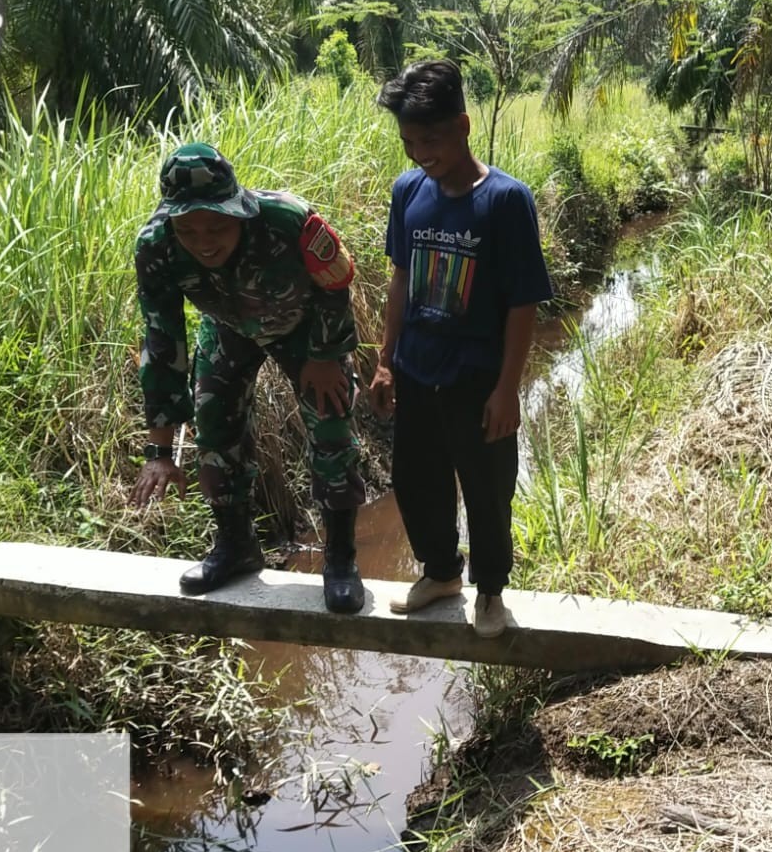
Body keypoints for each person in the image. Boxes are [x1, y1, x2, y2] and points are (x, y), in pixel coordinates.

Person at [129, 141, 367, 613]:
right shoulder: (156, 246)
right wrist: (159, 450)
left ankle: (341, 560)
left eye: (217, 225)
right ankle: (236, 546)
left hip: (304, 328)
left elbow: (336, 282)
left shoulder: (287, 221)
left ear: (237, 211)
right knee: (214, 422)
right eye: (188, 229)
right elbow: (162, 343)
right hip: (228, 326)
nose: (204, 240)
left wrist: (323, 356)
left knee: (331, 421)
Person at [369, 60, 553, 638]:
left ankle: (490, 589)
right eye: (409, 141)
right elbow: (401, 278)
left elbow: (523, 303)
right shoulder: (408, 193)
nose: (420, 152)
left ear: (464, 126)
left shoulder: (505, 201)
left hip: (477, 375)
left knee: (486, 486)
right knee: (416, 479)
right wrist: (383, 359)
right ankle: (442, 572)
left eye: (431, 138)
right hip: (417, 368)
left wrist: (508, 389)